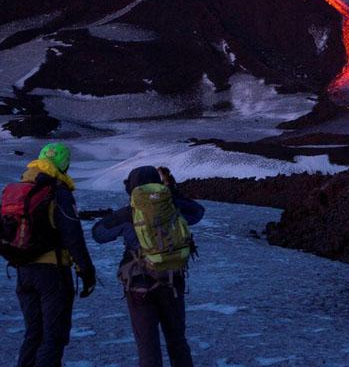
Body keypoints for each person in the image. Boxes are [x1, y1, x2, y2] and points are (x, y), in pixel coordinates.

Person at [92, 166, 204, 367]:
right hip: (172, 282)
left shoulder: (128, 213)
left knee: (148, 348)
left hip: (139, 286)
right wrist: (172, 194)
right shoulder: (173, 206)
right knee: (177, 341)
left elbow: (98, 234)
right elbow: (198, 212)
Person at [9, 142, 96, 367]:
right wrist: (86, 271)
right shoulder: (58, 192)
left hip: (23, 270)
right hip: (52, 273)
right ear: (64, 164)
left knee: (33, 334)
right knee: (53, 337)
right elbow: (72, 235)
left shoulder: (22, 188)